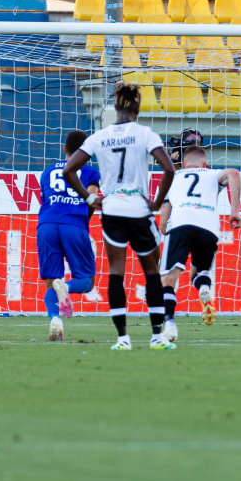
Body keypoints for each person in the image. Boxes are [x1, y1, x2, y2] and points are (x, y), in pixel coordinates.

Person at [63, 83, 176, 351]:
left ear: (115, 108)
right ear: (137, 108)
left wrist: (91, 198)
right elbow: (169, 168)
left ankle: (122, 340)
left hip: (111, 209)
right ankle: (157, 336)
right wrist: (157, 202)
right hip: (138, 208)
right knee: (151, 271)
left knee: (116, 272)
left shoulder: (99, 136)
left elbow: (69, 169)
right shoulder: (144, 134)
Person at [158, 145, 241, 341]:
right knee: (199, 273)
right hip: (208, 229)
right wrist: (235, 211)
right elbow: (234, 173)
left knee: (168, 281)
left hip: (180, 226)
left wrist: (163, 227)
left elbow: (166, 205)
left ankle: (170, 325)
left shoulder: (173, 176)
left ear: (183, 164)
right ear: (205, 163)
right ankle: (204, 287)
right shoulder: (213, 174)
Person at [37, 130, 101, 342]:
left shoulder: (47, 172)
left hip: (47, 225)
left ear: (64, 149)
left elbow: (46, 199)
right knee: (87, 281)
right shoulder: (90, 172)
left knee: (50, 282)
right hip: (73, 224)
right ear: (87, 153)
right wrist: (83, 220)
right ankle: (67, 287)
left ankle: (55, 320)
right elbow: (91, 197)